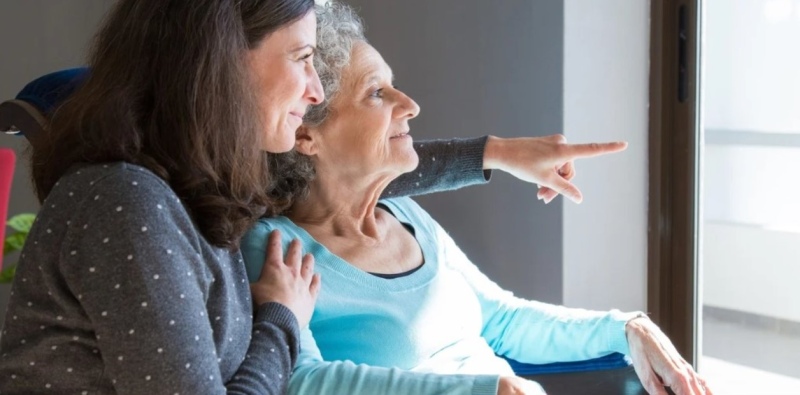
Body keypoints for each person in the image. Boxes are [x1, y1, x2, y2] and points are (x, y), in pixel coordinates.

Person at [0, 0, 629, 394]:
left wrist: (496, 154)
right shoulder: (130, 204)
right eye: (302, 58)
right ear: (222, 64)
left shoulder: (201, 194)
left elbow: (346, 173)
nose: (311, 88)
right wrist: (279, 317)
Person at [241, 3, 712, 395]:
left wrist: (625, 328)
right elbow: (303, 381)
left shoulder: (405, 216)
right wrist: (485, 391)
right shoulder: (277, 248)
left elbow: (503, 320)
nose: (409, 105)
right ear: (306, 133)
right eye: (376, 93)